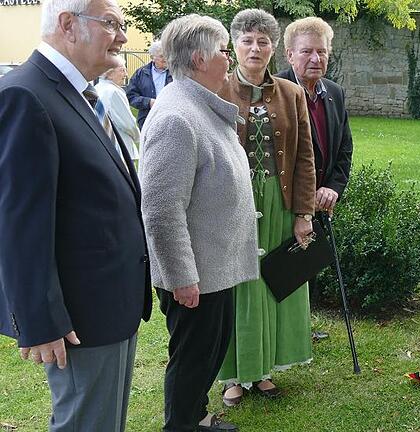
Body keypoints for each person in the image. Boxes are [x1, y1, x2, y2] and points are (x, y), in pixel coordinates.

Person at [0, 0, 151, 430]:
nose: (122, 37)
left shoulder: (80, 93)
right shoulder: (26, 95)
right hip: (78, 317)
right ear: (68, 24)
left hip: (110, 303)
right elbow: (18, 225)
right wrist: (39, 321)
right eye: (111, 24)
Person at [140, 14, 260, 432]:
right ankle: (182, 425)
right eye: (224, 51)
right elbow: (160, 209)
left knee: (209, 352)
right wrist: (181, 276)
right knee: (192, 359)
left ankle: (197, 417)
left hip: (214, 266)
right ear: (199, 57)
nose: (229, 59)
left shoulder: (198, 103)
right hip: (195, 275)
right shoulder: (177, 117)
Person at [216, 8, 315, 406]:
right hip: (232, 203)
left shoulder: (292, 94)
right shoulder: (216, 89)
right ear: (233, 44)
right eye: (247, 40)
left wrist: (304, 213)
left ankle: (265, 368)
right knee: (237, 284)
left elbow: (305, 157)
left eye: (263, 41)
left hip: (279, 200)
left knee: (274, 281)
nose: (255, 48)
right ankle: (233, 375)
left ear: (274, 48)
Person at [276, 16, 354, 340]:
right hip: (285, 200)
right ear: (289, 54)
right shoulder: (275, 92)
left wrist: (333, 188)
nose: (315, 59)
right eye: (306, 51)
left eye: (321, 52)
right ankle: (280, 333)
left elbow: (344, 149)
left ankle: (300, 330)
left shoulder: (333, 93)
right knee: (282, 268)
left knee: (307, 265)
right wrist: (306, 196)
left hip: (321, 200)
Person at [95, 56, 140, 166]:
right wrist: (138, 137)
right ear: (109, 73)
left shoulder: (97, 88)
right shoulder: (113, 92)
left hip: (104, 147)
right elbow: (128, 123)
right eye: (122, 70)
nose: (126, 75)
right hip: (120, 148)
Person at [126, 40, 172, 129]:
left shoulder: (176, 73)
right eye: (162, 56)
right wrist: (148, 102)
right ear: (152, 57)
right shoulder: (141, 73)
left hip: (169, 118)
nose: (166, 58)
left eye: (168, 55)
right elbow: (131, 96)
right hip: (147, 119)